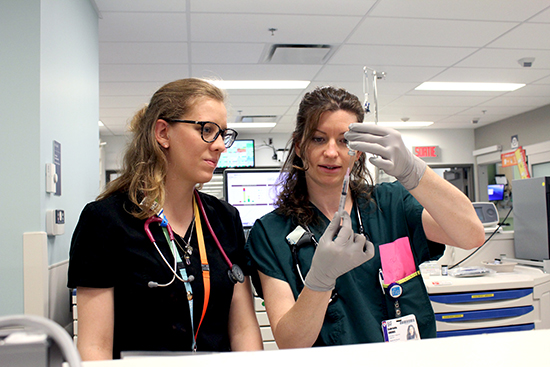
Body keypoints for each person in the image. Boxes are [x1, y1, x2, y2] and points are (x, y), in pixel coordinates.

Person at [245, 86, 485, 348]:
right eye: (318, 139)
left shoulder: (391, 204)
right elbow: (291, 342)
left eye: (345, 140)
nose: (332, 152)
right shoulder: (271, 233)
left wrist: (414, 172)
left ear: (358, 150)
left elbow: (472, 235)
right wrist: (320, 281)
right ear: (300, 146)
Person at [68, 78, 263, 360]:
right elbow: (94, 347)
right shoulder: (105, 221)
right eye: (207, 130)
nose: (221, 145)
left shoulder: (224, 218)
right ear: (163, 133)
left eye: (223, 134)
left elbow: (244, 330)